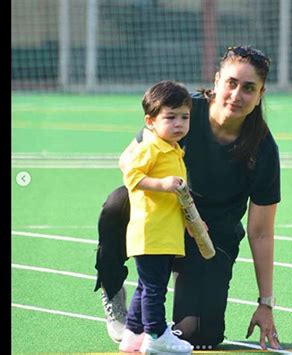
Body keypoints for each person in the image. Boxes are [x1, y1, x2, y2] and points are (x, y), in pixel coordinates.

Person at [94, 45, 282, 351]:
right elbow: (128, 161)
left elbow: (261, 231)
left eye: (249, 88)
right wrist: (166, 190)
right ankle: (115, 292)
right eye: (231, 83)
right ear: (217, 80)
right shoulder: (183, 110)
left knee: (199, 335)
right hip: (163, 216)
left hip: (211, 240)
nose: (236, 95)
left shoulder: (263, 149)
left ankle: (164, 319)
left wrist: (266, 304)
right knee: (118, 203)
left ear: (261, 93)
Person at [116, 80, 194, 354]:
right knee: (155, 288)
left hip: (165, 232)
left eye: (184, 117)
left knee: (147, 286)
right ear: (150, 121)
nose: (179, 123)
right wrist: (161, 184)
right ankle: (157, 334)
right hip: (150, 232)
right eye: (170, 117)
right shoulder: (152, 147)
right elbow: (132, 175)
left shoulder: (174, 149)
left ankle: (134, 333)